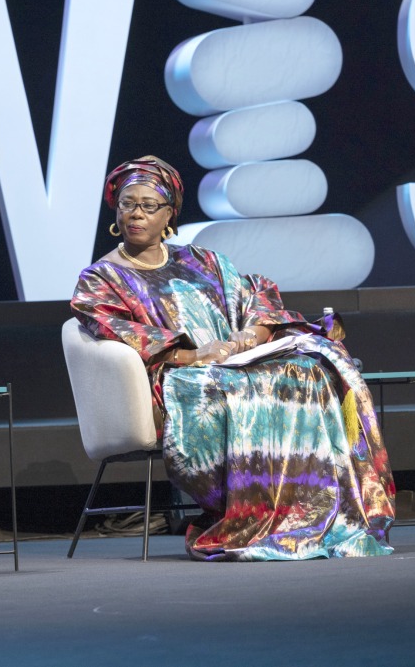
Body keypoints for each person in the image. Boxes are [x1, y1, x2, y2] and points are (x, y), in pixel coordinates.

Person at [70, 155, 395, 561]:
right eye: (127, 204)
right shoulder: (101, 277)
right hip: (177, 375)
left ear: (170, 213)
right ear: (115, 210)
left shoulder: (203, 261)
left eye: (149, 206)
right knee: (232, 387)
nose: (136, 214)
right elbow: (112, 326)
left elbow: (257, 294)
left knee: (313, 366)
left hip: (235, 362)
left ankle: (316, 509)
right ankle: (260, 513)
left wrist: (248, 336)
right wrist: (193, 352)